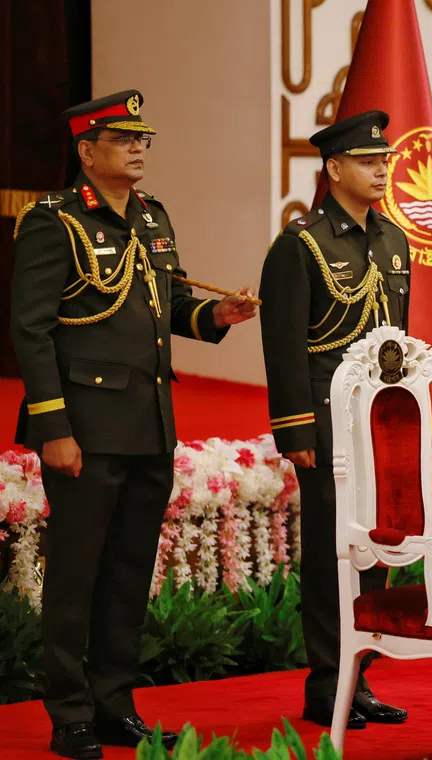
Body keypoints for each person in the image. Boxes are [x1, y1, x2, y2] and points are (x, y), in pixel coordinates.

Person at [9, 90, 258, 759]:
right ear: (87, 152)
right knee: (76, 576)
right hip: (86, 429)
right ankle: (70, 716)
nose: (139, 147)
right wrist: (54, 426)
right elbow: (30, 331)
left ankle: (115, 703)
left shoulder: (152, 217)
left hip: (149, 424)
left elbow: (168, 303)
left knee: (127, 573)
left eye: (142, 138)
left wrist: (216, 319)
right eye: (122, 139)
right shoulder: (53, 222)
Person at [259, 111, 410, 729]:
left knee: (376, 549)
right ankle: (327, 683)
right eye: (369, 161)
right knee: (331, 555)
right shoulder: (303, 244)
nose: (381, 170)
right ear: (334, 168)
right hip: (327, 424)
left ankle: (361, 678)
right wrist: (296, 431)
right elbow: (285, 343)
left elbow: (402, 345)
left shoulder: (393, 239)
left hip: (383, 426)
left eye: (385, 161)